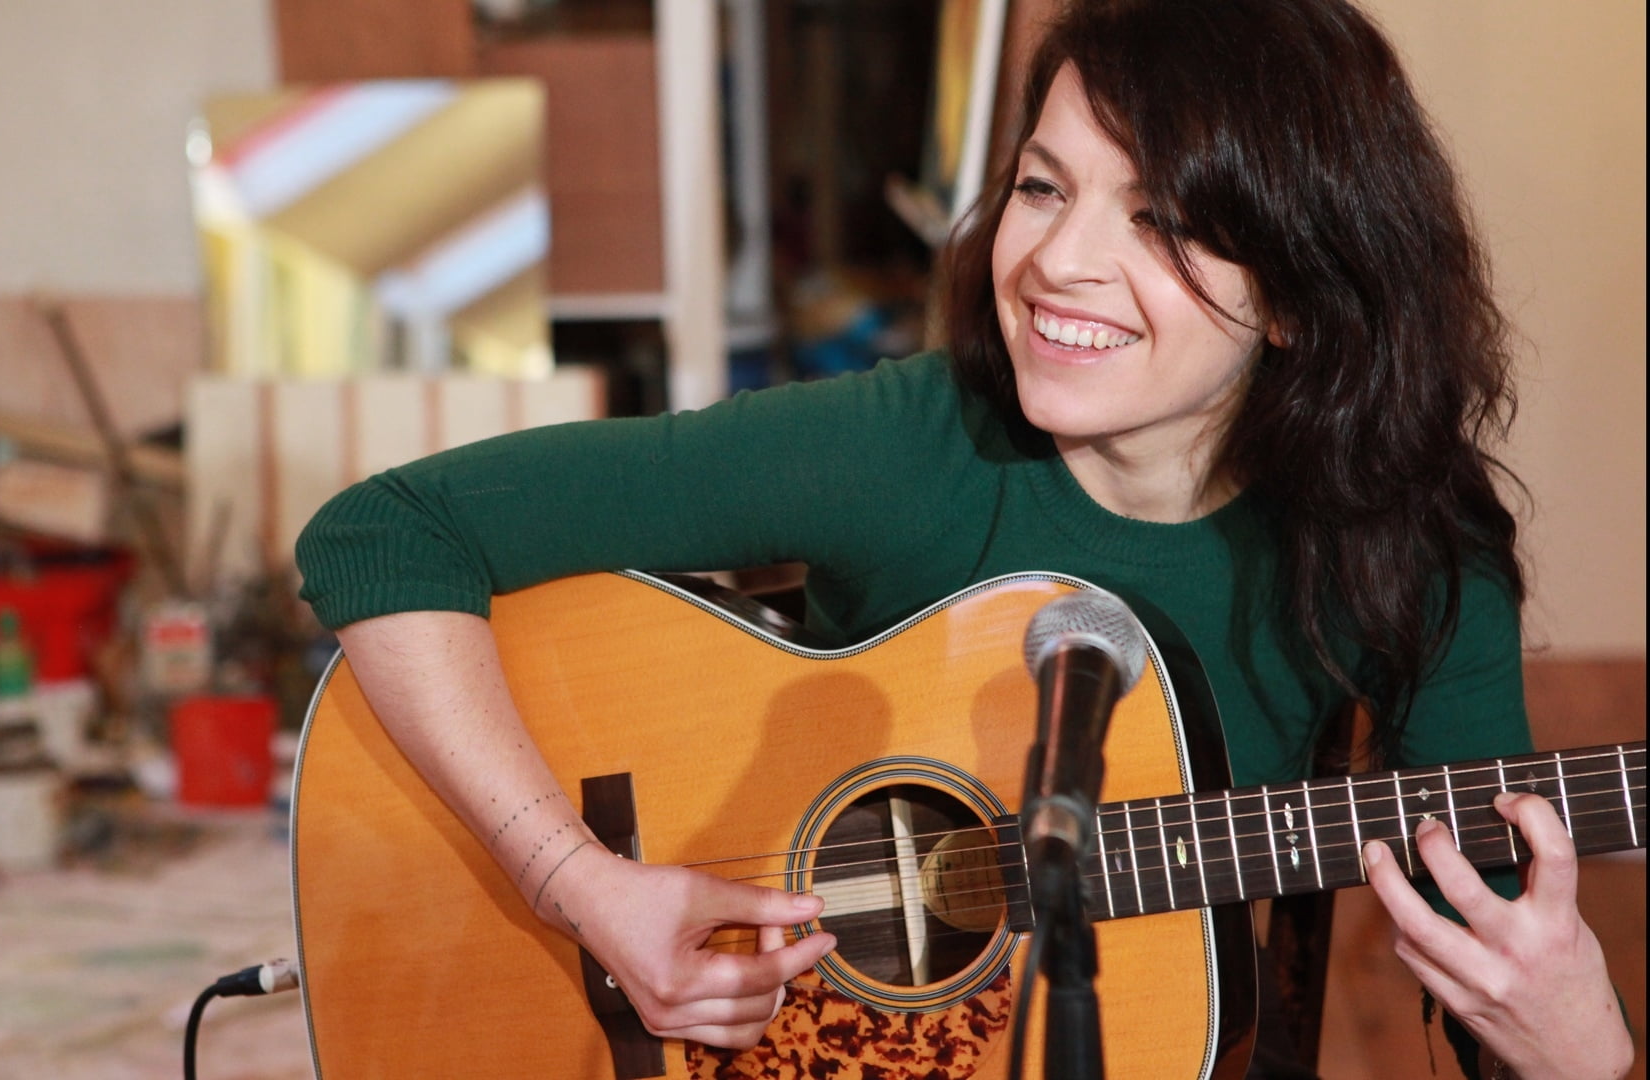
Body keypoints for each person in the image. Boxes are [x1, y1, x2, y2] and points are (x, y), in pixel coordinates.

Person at [294, 0, 1636, 1076]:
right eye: (1045, 187)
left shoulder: (1417, 546)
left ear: (1298, 293)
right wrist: (580, 884)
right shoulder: (908, 445)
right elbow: (384, 532)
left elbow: (1493, 971)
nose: (1057, 261)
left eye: (1161, 219)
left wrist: (1579, 1042)